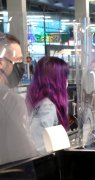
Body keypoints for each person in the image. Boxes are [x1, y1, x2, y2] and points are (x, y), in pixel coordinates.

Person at [0, 33, 37, 165]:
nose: (21, 67)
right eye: (18, 61)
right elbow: (25, 154)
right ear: (1, 63)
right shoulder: (11, 101)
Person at [26, 56, 69, 154]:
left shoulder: (38, 101)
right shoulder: (47, 107)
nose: (66, 80)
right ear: (56, 79)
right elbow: (40, 147)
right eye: (64, 76)